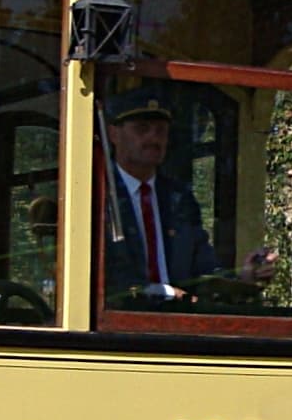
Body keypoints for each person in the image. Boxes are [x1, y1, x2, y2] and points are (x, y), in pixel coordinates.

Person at [102, 86, 274, 297]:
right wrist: (160, 292)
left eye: (160, 131)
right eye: (141, 128)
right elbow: (98, 276)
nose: (153, 139)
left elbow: (203, 268)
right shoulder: (99, 194)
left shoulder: (179, 199)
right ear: (114, 134)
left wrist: (243, 277)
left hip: (177, 322)